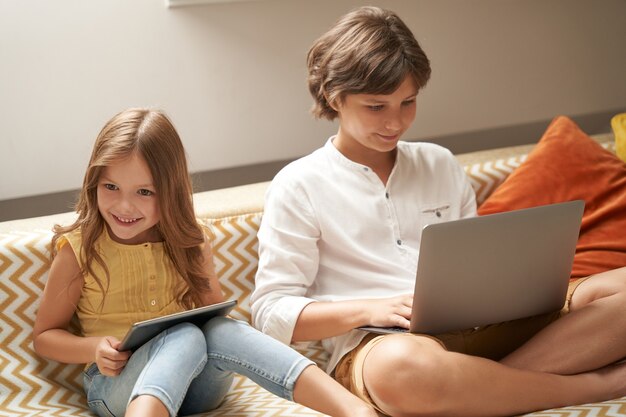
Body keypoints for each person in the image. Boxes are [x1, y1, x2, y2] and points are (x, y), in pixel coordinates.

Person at [251, 6, 626, 417]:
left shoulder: (439, 162)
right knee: (401, 369)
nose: (395, 122)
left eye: (407, 102)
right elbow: (270, 312)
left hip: (491, 328)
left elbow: (474, 262)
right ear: (332, 96)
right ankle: (594, 385)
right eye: (376, 107)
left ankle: (481, 385)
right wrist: (370, 309)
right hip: (385, 346)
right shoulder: (298, 184)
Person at [32, 108, 378, 417]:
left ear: (171, 193)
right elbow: (45, 336)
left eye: (144, 192)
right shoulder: (80, 249)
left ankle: (354, 410)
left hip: (196, 387)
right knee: (183, 335)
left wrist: (207, 294)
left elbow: (215, 316)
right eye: (111, 187)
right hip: (116, 388)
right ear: (94, 182)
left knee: (215, 330)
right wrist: (94, 348)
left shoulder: (191, 240)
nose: (124, 206)